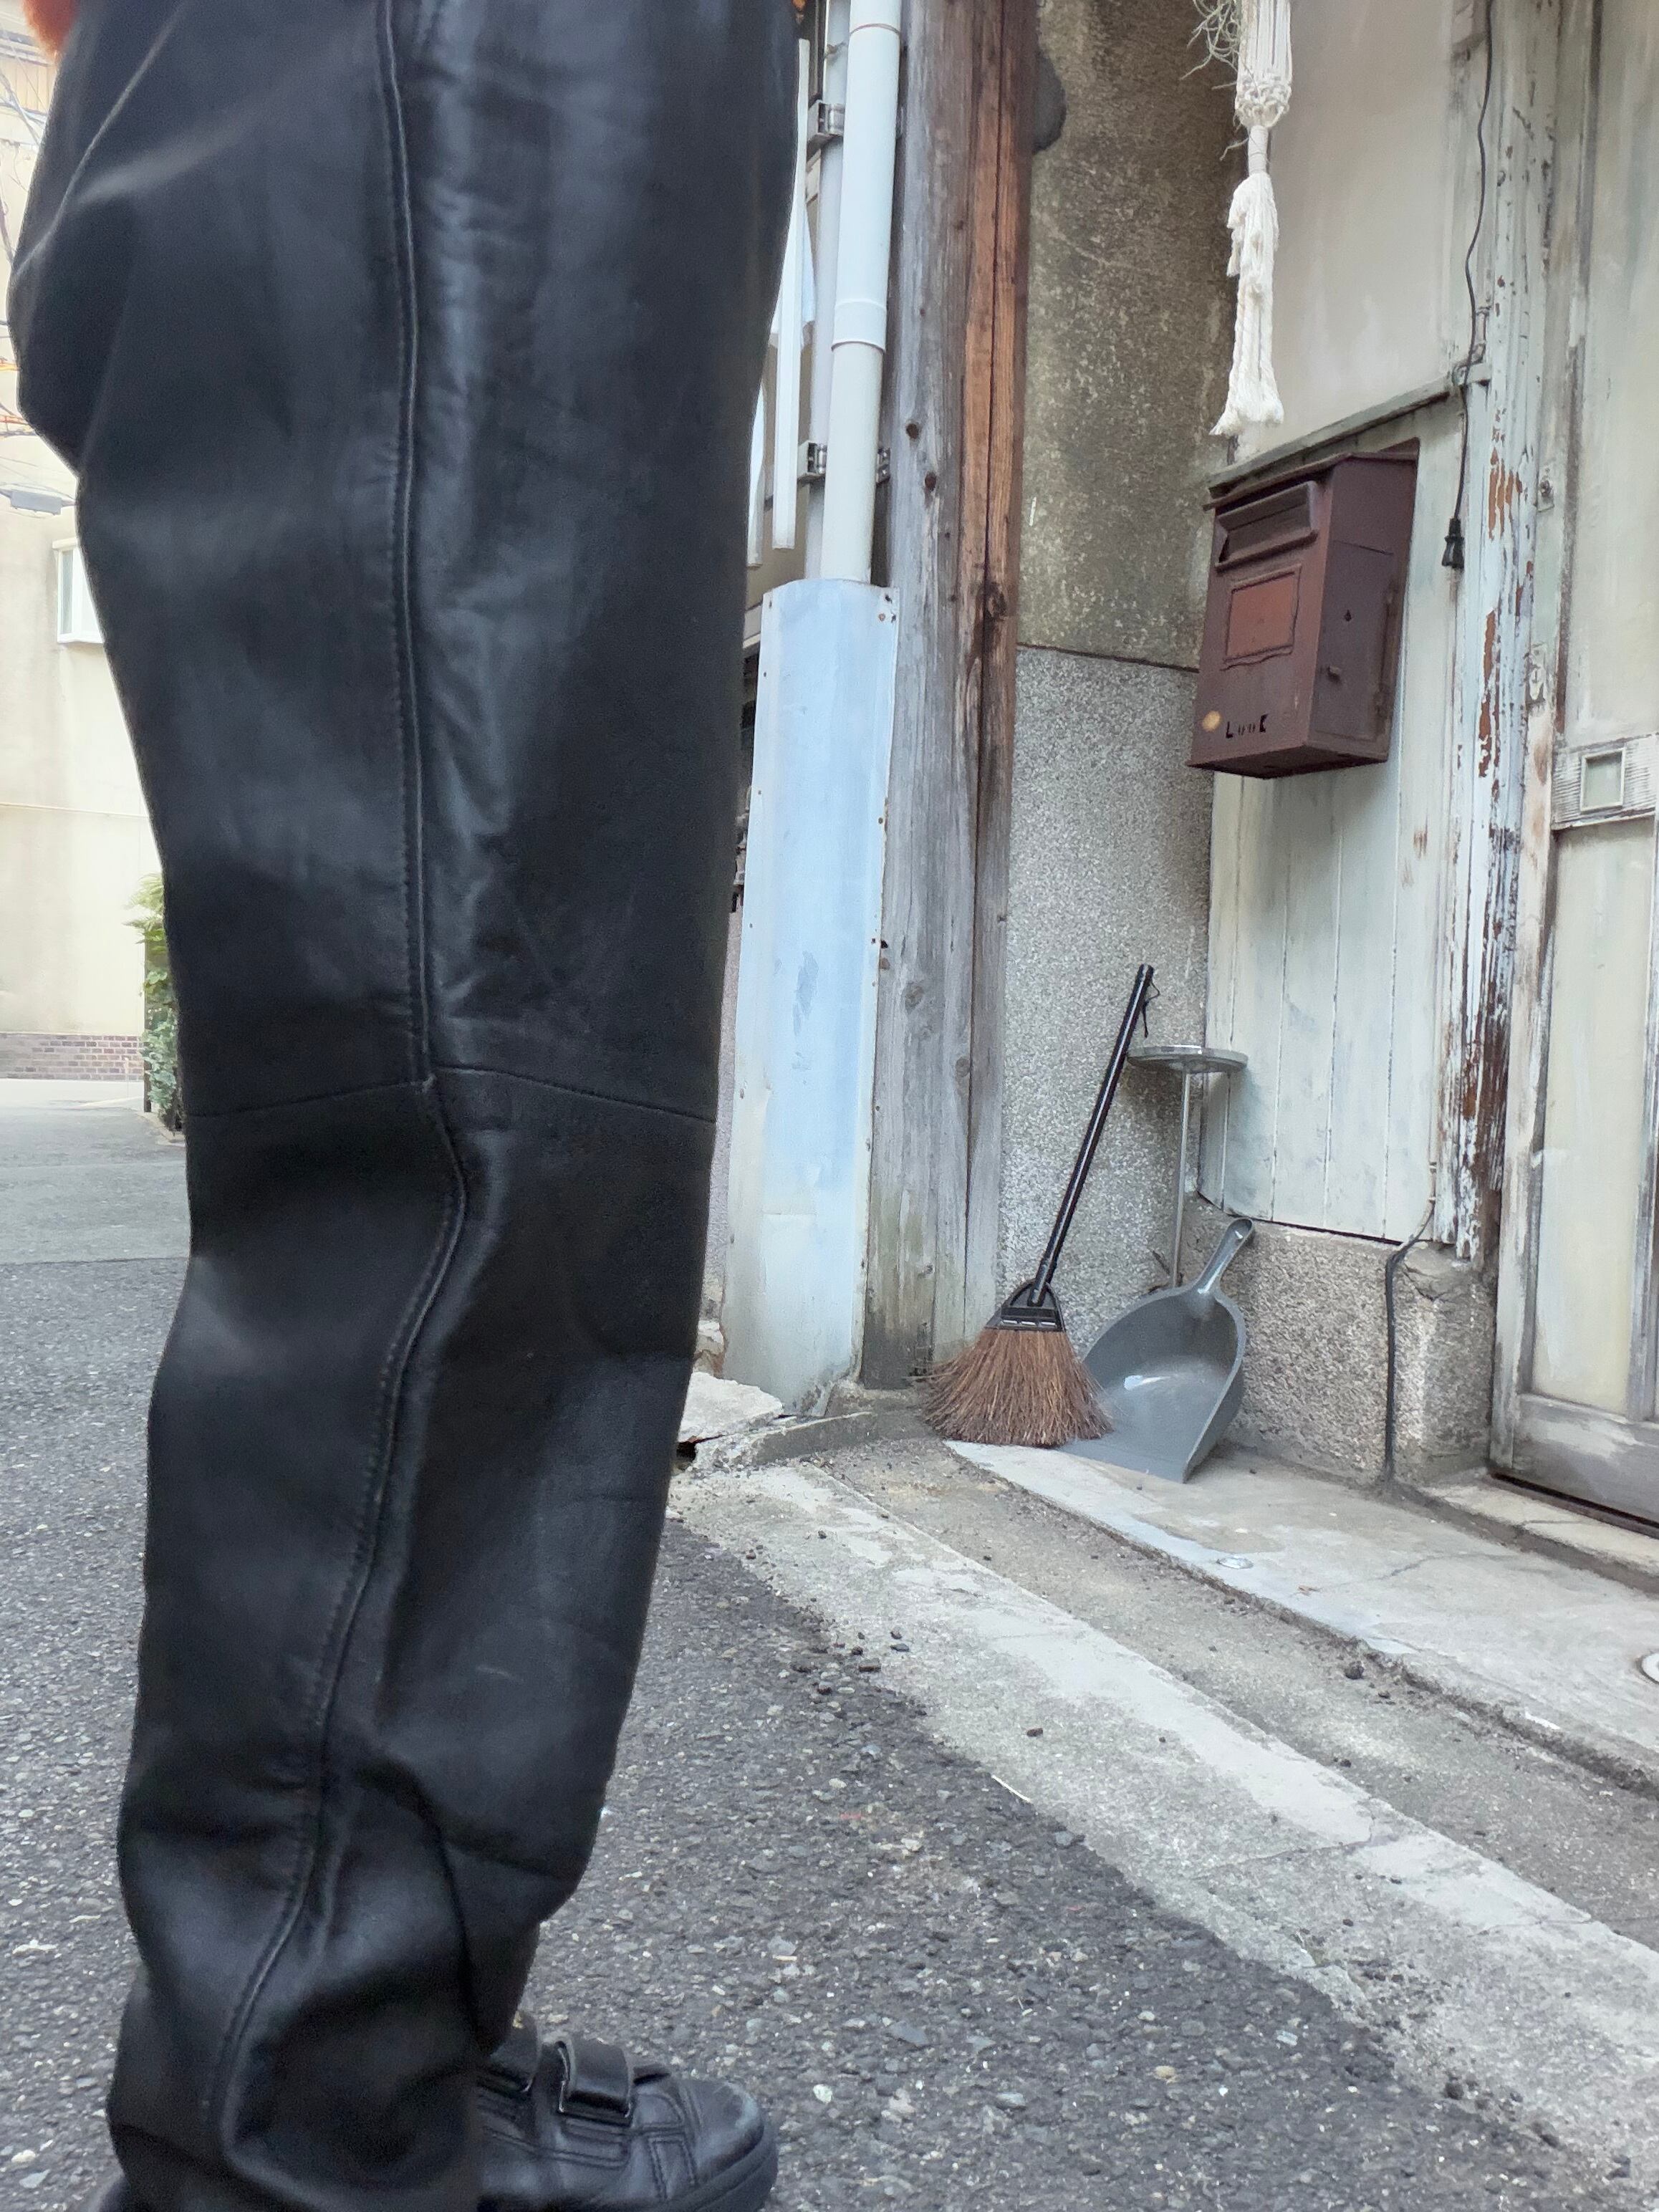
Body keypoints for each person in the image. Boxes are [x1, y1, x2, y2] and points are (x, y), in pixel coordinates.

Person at [10, 5, 794, 2211]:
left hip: (316, 79)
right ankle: (304, 2130)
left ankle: (315, 2073)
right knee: (479, 1114)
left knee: (444, 1073)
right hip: (463, 67)